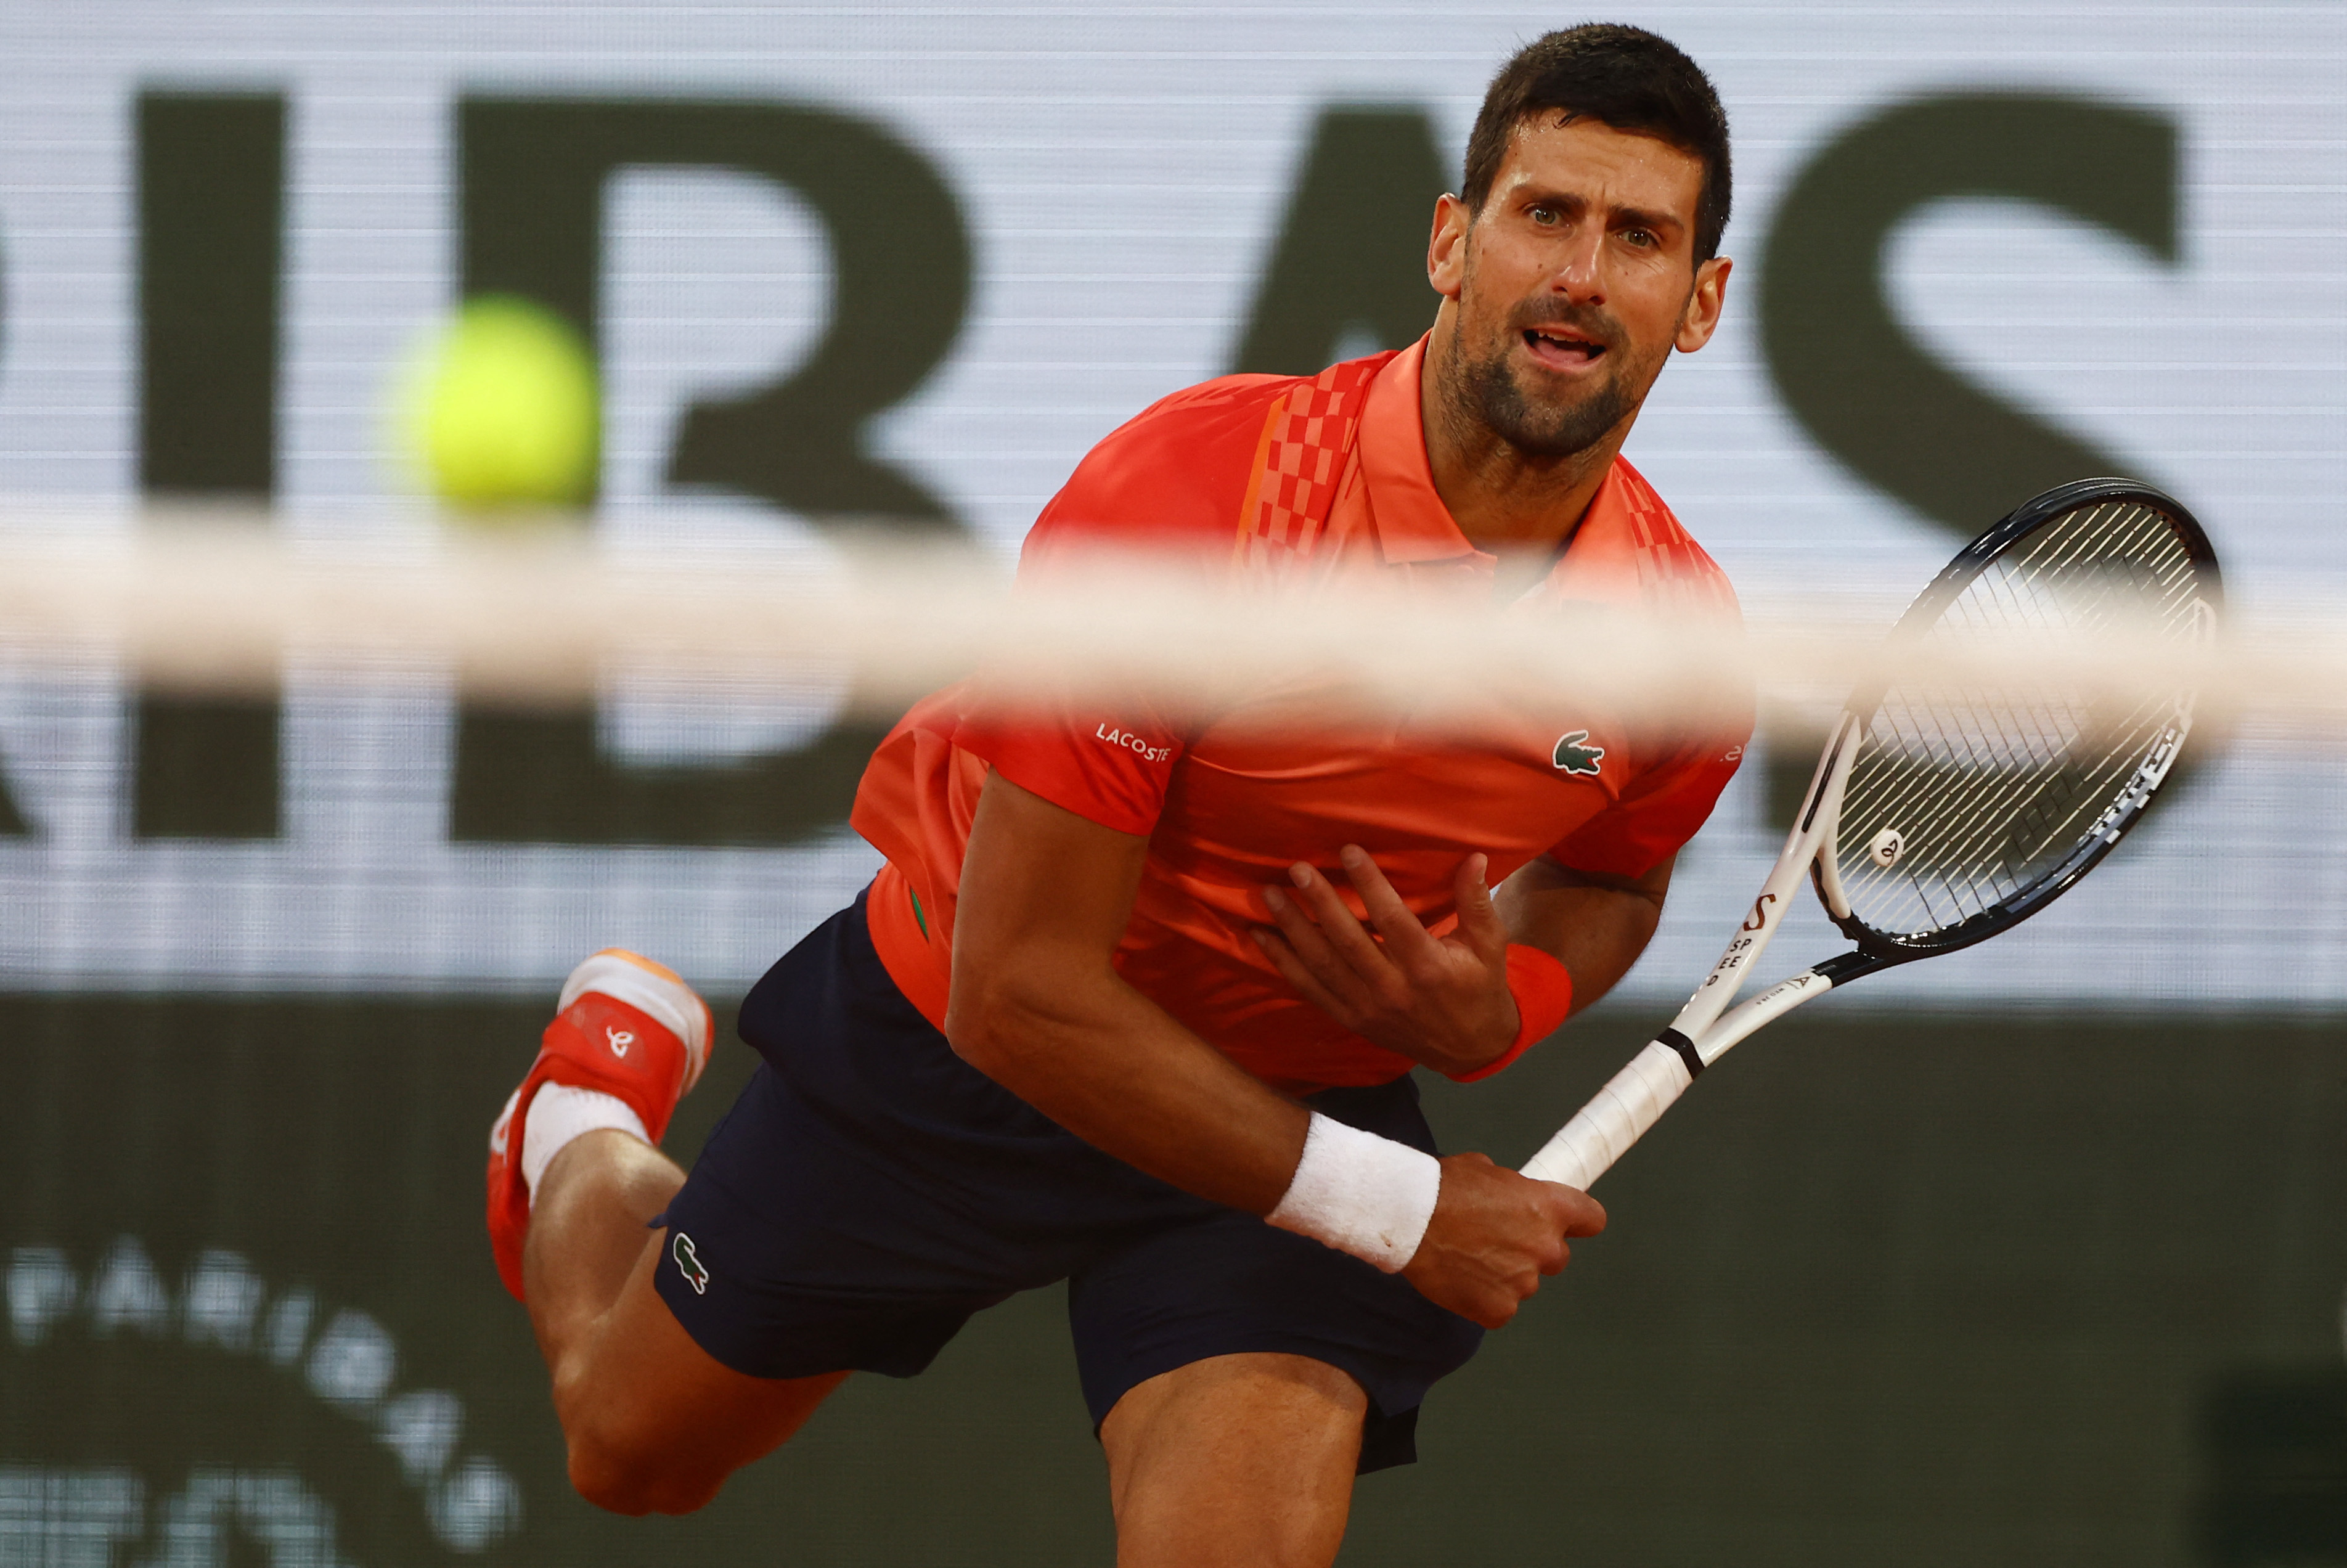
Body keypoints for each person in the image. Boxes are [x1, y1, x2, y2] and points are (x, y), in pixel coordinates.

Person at [484, 22, 1747, 1566]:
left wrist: (1507, 1005)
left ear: (1697, 306)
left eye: (1637, 237)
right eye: (1543, 213)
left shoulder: (1678, 642)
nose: (1578, 271)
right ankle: (582, 1120)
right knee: (629, 1451)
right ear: (1449, 241)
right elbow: (1017, 995)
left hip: (1289, 1111)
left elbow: (1610, 881)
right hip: (967, 1054)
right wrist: (1406, 1213)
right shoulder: (1196, 504)